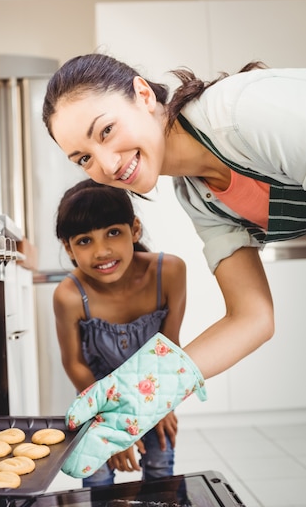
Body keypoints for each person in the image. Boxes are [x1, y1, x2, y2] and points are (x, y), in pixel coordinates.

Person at [43, 53, 306, 381]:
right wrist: (146, 391)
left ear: (143, 95)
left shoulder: (240, 111)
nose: (107, 166)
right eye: (84, 158)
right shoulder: (198, 197)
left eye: (106, 130)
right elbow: (252, 317)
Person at [54, 179, 186, 507]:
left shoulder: (170, 272)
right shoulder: (68, 294)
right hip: (98, 404)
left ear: (135, 230)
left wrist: (159, 405)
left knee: (160, 471)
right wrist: (110, 426)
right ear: (68, 248)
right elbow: (75, 364)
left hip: (155, 396)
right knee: (97, 483)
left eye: (113, 233)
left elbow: (170, 348)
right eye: (84, 241)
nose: (102, 251)